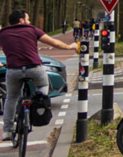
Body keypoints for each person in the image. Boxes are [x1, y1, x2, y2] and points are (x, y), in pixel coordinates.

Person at [0, 9, 78, 141]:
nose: (29, 21)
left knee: (11, 98)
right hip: (34, 68)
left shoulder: (3, 33)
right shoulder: (32, 30)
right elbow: (55, 43)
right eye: (28, 19)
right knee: (42, 86)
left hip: (13, 70)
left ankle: (7, 131)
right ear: (21, 20)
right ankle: (35, 108)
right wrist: (71, 47)